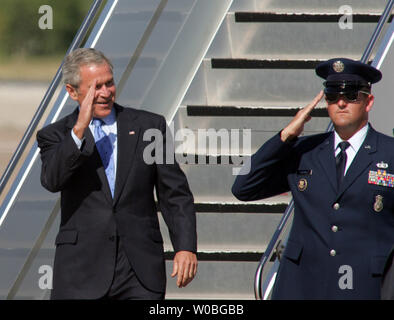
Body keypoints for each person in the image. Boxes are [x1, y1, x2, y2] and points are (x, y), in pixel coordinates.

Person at [36, 48, 197, 300]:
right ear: (72, 91)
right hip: (81, 273)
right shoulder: (55, 135)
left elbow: (174, 194)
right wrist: (79, 130)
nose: (105, 92)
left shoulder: (149, 127)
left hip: (139, 271)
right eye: (95, 87)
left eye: (109, 83)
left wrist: (185, 247)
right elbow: (52, 180)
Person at [232, 57, 394, 299]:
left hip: (363, 287)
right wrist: (286, 136)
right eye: (332, 95)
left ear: (368, 101)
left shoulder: (389, 152)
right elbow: (244, 187)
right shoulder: (305, 151)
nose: (341, 102)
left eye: (351, 95)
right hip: (302, 285)